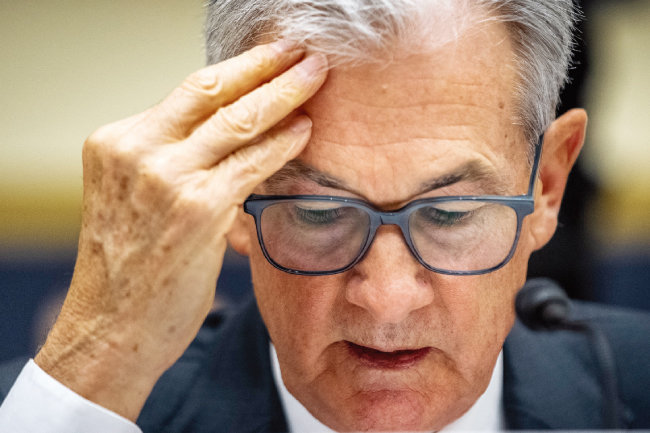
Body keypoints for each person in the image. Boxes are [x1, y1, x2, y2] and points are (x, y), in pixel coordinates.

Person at [1, 0, 649, 431]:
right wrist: (95, 360)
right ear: (233, 193)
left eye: (450, 212)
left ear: (547, 186)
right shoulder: (61, 412)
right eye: (317, 212)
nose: (386, 300)